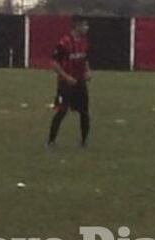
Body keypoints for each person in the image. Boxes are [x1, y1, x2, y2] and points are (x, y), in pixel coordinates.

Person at [47, 15, 91, 149]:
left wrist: (87, 71)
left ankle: (83, 142)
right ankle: (51, 142)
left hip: (80, 83)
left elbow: (85, 59)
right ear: (76, 26)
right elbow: (54, 63)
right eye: (84, 25)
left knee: (84, 112)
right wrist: (66, 77)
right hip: (65, 84)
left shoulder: (84, 41)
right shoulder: (64, 42)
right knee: (61, 111)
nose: (86, 28)